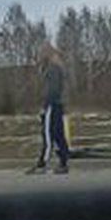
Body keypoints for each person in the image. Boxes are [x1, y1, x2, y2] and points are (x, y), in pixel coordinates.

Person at [28, 43, 69, 175]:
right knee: (58, 134)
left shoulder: (52, 69)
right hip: (58, 104)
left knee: (48, 134)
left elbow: (52, 89)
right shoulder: (56, 68)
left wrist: (46, 105)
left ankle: (43, 163)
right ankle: (63, 162)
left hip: (52, 104)